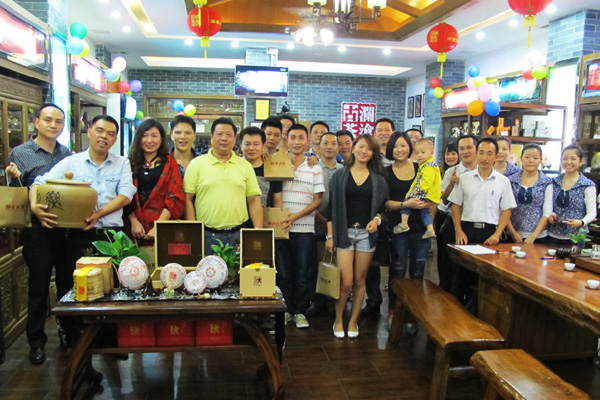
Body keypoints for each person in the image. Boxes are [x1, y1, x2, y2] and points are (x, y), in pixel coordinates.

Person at [31, 115, 136, 348]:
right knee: (77, 286)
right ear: (89, 131)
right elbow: (39, 182)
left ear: (115, 139)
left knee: (112, 287)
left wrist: (98, 214)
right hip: (79, 235)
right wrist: (34, 206)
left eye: (110, 133)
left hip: (112, 234)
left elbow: (126, 194)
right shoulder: (72, 162)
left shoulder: (122, 163)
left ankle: (109, 341)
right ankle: (74, 338)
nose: (104, 136)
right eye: (99, 130)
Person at [5, 104, 71, 364]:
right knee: (39, 286)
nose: (53, 125)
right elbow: (14, 191)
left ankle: (68, 332)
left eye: (58, 121)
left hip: (65, 228)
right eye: (48, 120)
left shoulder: (65, 153)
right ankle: (36, 342)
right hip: (36, 230)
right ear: (36, 122)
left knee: (67, 285)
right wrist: (12, 178)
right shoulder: (21, 153)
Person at [326, 134, 387, 339]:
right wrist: (330, 236)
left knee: (360, 280)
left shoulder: (378, 178)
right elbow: (331, 208)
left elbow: (382, 208)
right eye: (361, 146)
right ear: (353, 148)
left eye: (369, 149)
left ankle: (353, 321)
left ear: (373, 153)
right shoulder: (340, 175)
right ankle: (339, 319)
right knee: (346, 281)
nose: (364, 151)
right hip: (344, 233)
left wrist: (376, 220)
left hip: (366, 235)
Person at [449, 137, 516, 304]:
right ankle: (457, 312)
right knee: (460, 277)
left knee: (484, 278)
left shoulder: (503, 181)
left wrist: (498, 234)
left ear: (496, 157)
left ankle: (478, 312)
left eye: (489, 154)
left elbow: (507, 210)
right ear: (476, 154)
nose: (485, 158)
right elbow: (456, 205)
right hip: (466, 231)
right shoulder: (464, 178)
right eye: (481, 153)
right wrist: (458, 230)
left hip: (489, 234)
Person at [184, 117, 263, 254]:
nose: (224, 138)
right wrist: (194, 231)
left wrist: (257, 233)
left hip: (238, 234)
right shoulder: (196, 164)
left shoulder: (245, 165)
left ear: (234, 139)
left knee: (239, 269)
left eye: (228, 135)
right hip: (207, 235)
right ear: (212, 137)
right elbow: (187, 199)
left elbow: (254, 200)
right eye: (219, 134)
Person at [277, 124, 324, 329]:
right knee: (284, 272)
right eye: (293, 137)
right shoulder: (278, 163)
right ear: (287, 140)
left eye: (301, 138)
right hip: (281, 228)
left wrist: (295, 216)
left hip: (304, 229)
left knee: (303, 273)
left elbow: (317, 200)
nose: (296, 142)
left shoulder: (314, 167)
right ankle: (286, 309)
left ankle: (300, 311)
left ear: (307, 141)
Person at [384, 131, 431, 333]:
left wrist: (427, 204)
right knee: (397, 270)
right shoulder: (386, 172)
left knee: (418, 273)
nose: (400, 149)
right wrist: (406, 204)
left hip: (421, 228)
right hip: (398, 229)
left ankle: (413, 313)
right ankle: (394, 311)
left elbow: (433, 194)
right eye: (395, 146)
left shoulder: (422, 168)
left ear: (410, 147)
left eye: (403, 145)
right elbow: (385, 203)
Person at [127, 119, 185, 246]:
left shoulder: (170, 162)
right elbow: (124, 196)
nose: (149, 140)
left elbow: (175, 196)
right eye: (145, 135)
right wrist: (134, 222)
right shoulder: (129, 163)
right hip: (134, 228)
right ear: (138, 138)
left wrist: (158, 226)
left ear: (161, 139)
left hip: (164, 226)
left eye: (154, 136)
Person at [361, 117, 395, 319]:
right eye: (380, 130)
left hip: (397, 217)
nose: (383, 133)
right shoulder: (371, 158)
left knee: (396, 264)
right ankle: (373, 301)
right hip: (373, 216)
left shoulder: (399, 155)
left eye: (387, 130)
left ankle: (395, 306)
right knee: (371, 263)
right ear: (375, 134)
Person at [308, 132, 343, 316]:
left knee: (333, 264)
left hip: (337, 226)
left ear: (338, 147)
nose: (329, 147)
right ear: (319, 147)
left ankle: (331, 299)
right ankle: (315, 300)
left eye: (333, 143)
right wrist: (320, 219)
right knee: (315, 264)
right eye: (325, 143)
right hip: (313, 223)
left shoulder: (343, 170)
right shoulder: (312, 168)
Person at [436, 135, 478, 292]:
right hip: (453, 222)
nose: (465, 151)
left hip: (475, 223)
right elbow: (444, 200)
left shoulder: (483, 171)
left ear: (476, 149)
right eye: (462, 148)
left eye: (469, 148)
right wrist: (451, 184)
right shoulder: (452, 171)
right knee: (448, 264)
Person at [547, 144, 597, 244]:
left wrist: (582, 222)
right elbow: (548, 205)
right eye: (565, 158)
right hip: (553, 235)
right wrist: (551, 215)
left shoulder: (587, 185)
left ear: (581, 161)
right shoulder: (554, 182)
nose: (568, 162)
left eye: (573, 159)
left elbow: (592, 212)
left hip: (576, 237)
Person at [394, 138, 440, 239]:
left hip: (424, 192)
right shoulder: (427, 164)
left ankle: (404, 223)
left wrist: (419, 189)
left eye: (423, 153)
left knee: (407, 201)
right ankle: (430, 228)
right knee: (424, 210)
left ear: (431, 153)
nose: (419, 155)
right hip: (429, 193)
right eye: (417, 153)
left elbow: (427, 180)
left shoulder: (428, 166)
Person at [506, 144, 552, 244]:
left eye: (535, 158)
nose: (531, 161)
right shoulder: (510, 180)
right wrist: (513, 233)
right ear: (521, 158)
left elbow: (547, 212)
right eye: (527, 157)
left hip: (539, 237)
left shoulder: (547, 182)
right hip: (512, 235)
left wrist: (533, 236)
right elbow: (505, 208)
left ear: (540, 160)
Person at [240, 126, 283, 208]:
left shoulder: (272, 169)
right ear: (241, 145)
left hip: (265, 215)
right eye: (247, 144)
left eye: (256, 144)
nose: (251, 148)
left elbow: (277, 201)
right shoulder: (234, 168)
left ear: (263, 146)